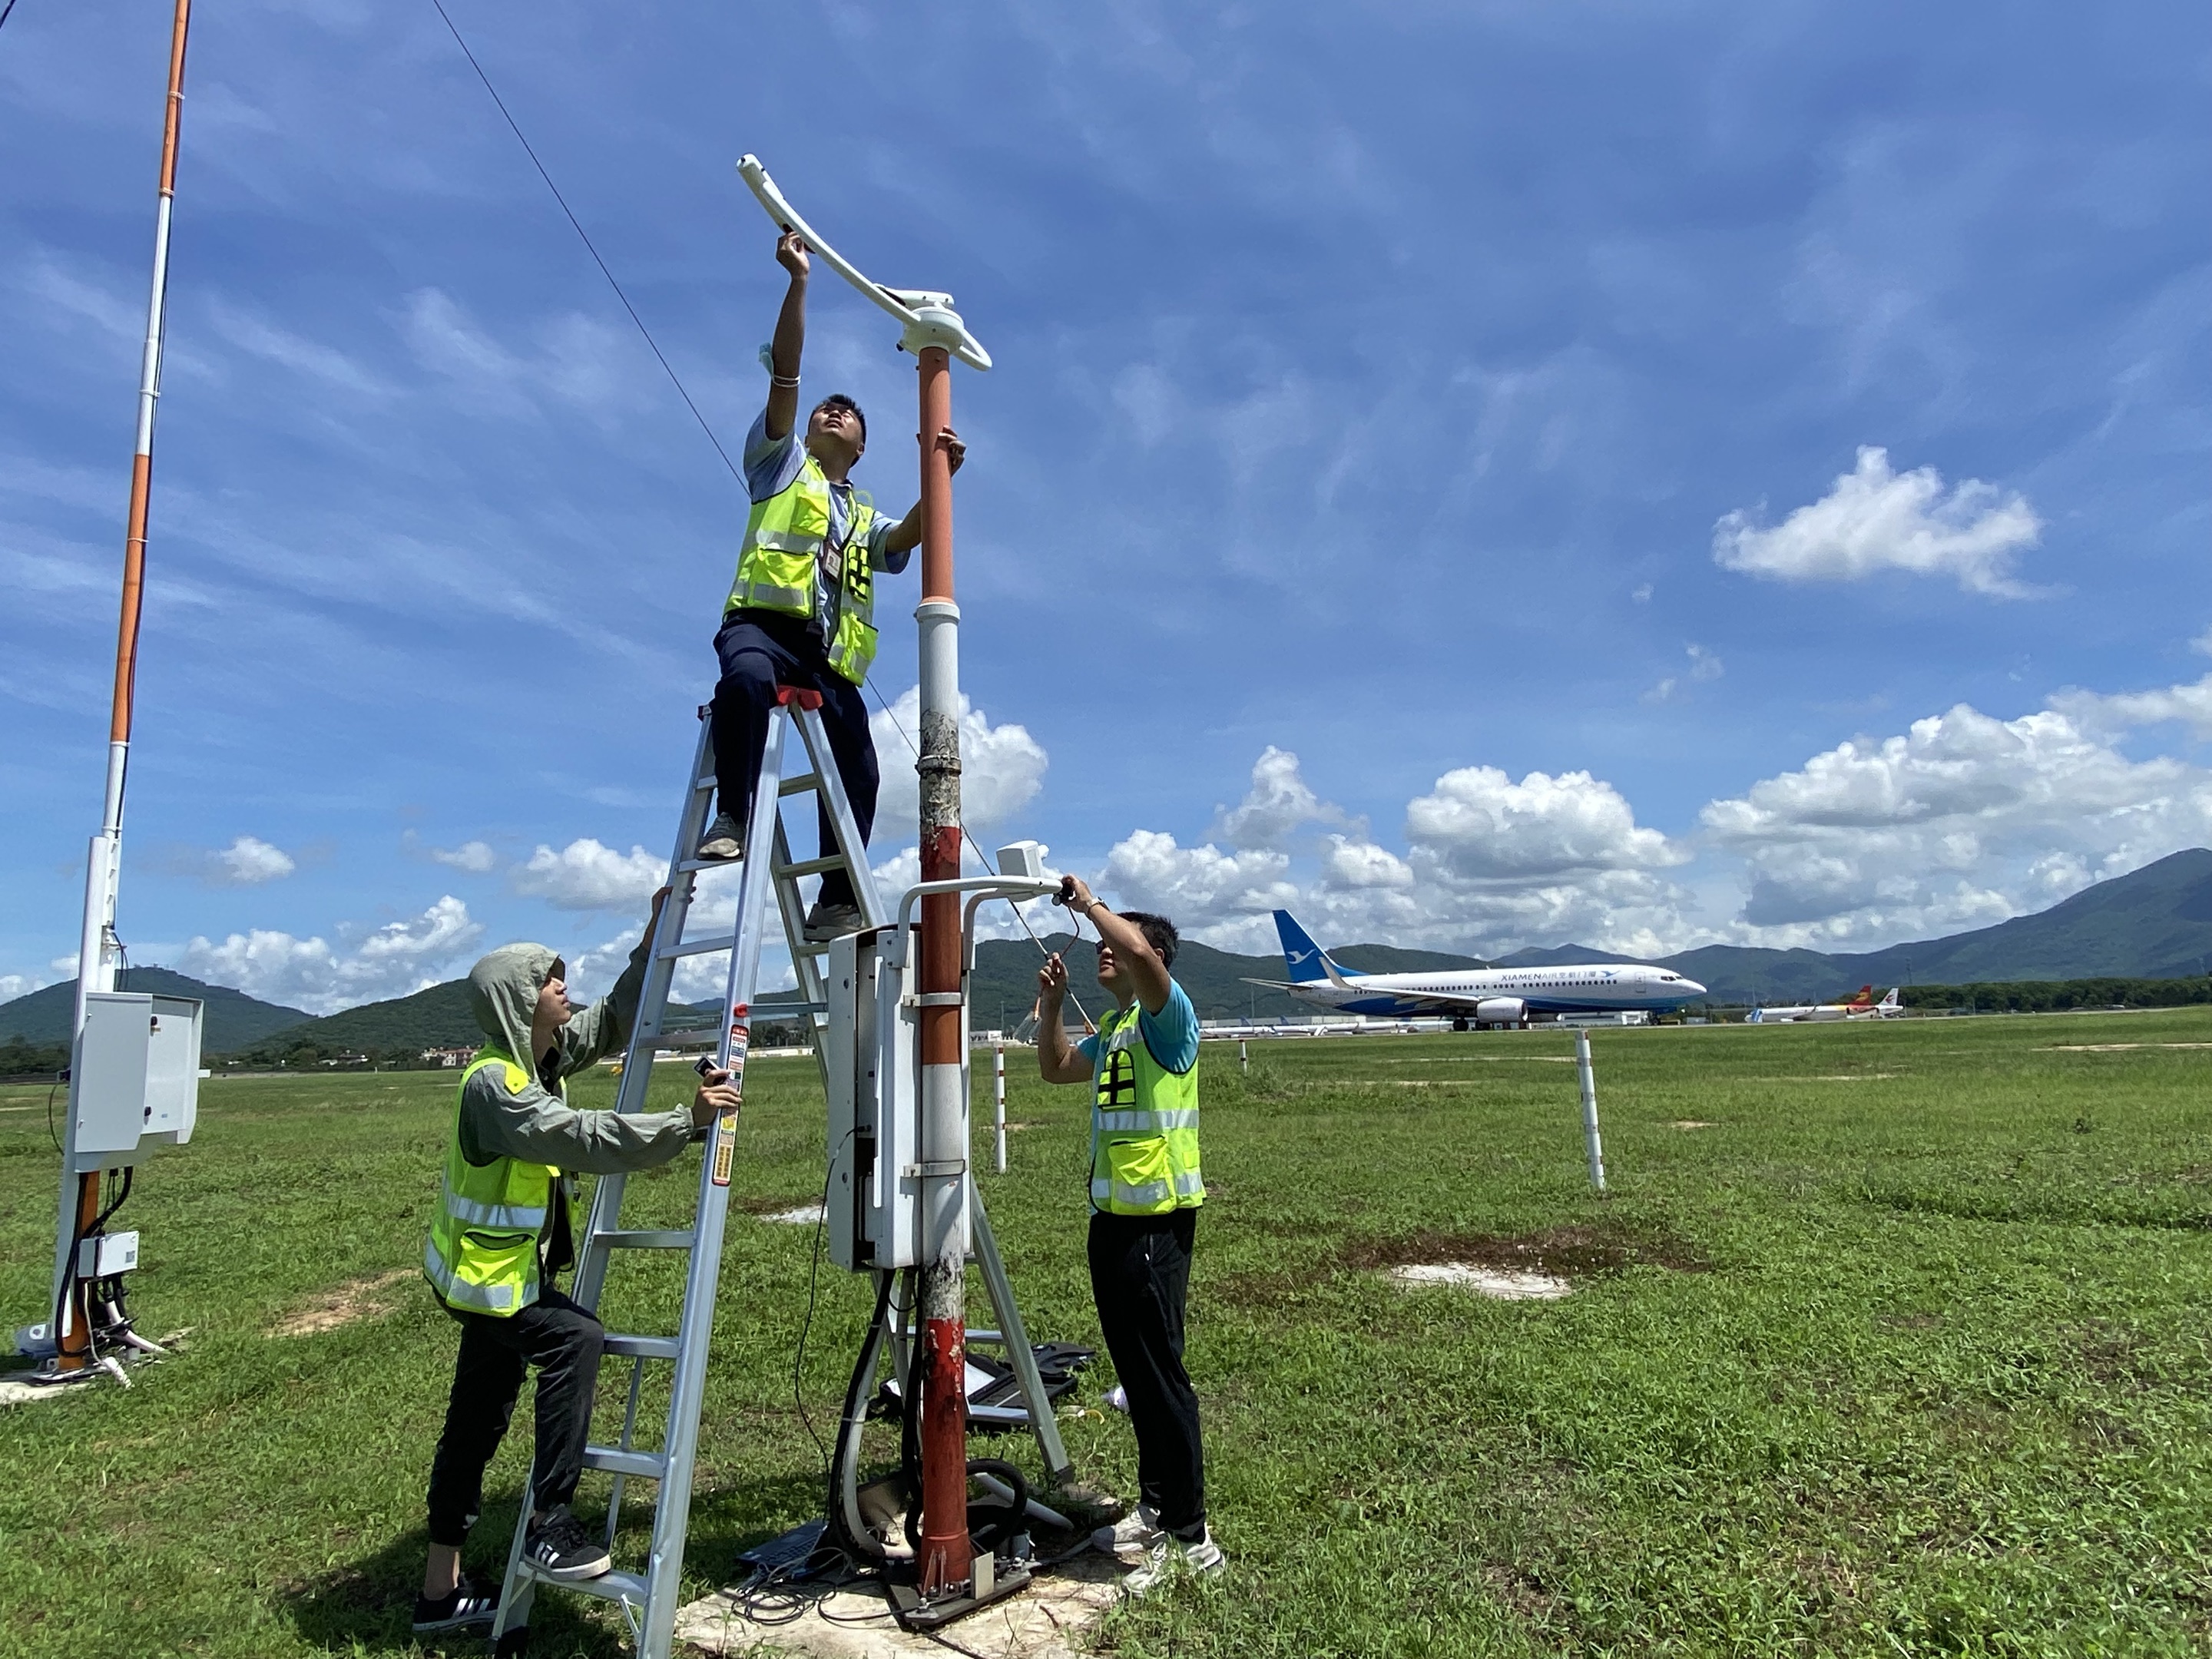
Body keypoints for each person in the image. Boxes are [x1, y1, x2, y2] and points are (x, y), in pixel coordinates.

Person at [412, 889, 741, 1637]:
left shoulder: (541, 1060)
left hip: (498, 1281)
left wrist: (654, 938)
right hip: (491, 1285)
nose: (564, 987)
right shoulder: (497, 1085)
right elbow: (579, 1137)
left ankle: (440, 1591)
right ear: (520, 1001)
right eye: (550, 979)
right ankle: (549, 1525)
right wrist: (685, 1122)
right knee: (576, 1339)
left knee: (473, 1424)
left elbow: (617, 1017)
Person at [699, 230, 965, 942]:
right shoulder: (780, 465)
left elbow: (904, 540)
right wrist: (798, 285)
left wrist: (940, 476)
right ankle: (734, 812)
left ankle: (836, 896)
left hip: (825, 657)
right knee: (746, 682)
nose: (832, 411)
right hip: (760, 626)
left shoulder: (862, 512)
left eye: (847, 412)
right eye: (826, 407)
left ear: (862, 444)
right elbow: (785, 377)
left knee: (860, 762)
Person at [1035, 876, 1224, 1592]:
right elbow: (1054, 1070)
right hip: (1111, 1226)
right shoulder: (1114, 1032)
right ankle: (1155, 1506)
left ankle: (1191, 1536)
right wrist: (1051, 1007)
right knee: (1138, 1377)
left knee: (1161, 1378)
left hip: (1157, 1228)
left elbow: (1141, 948)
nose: (1102, 956)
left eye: (1115, 947)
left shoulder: (1168, 1020)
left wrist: (1089, 906)